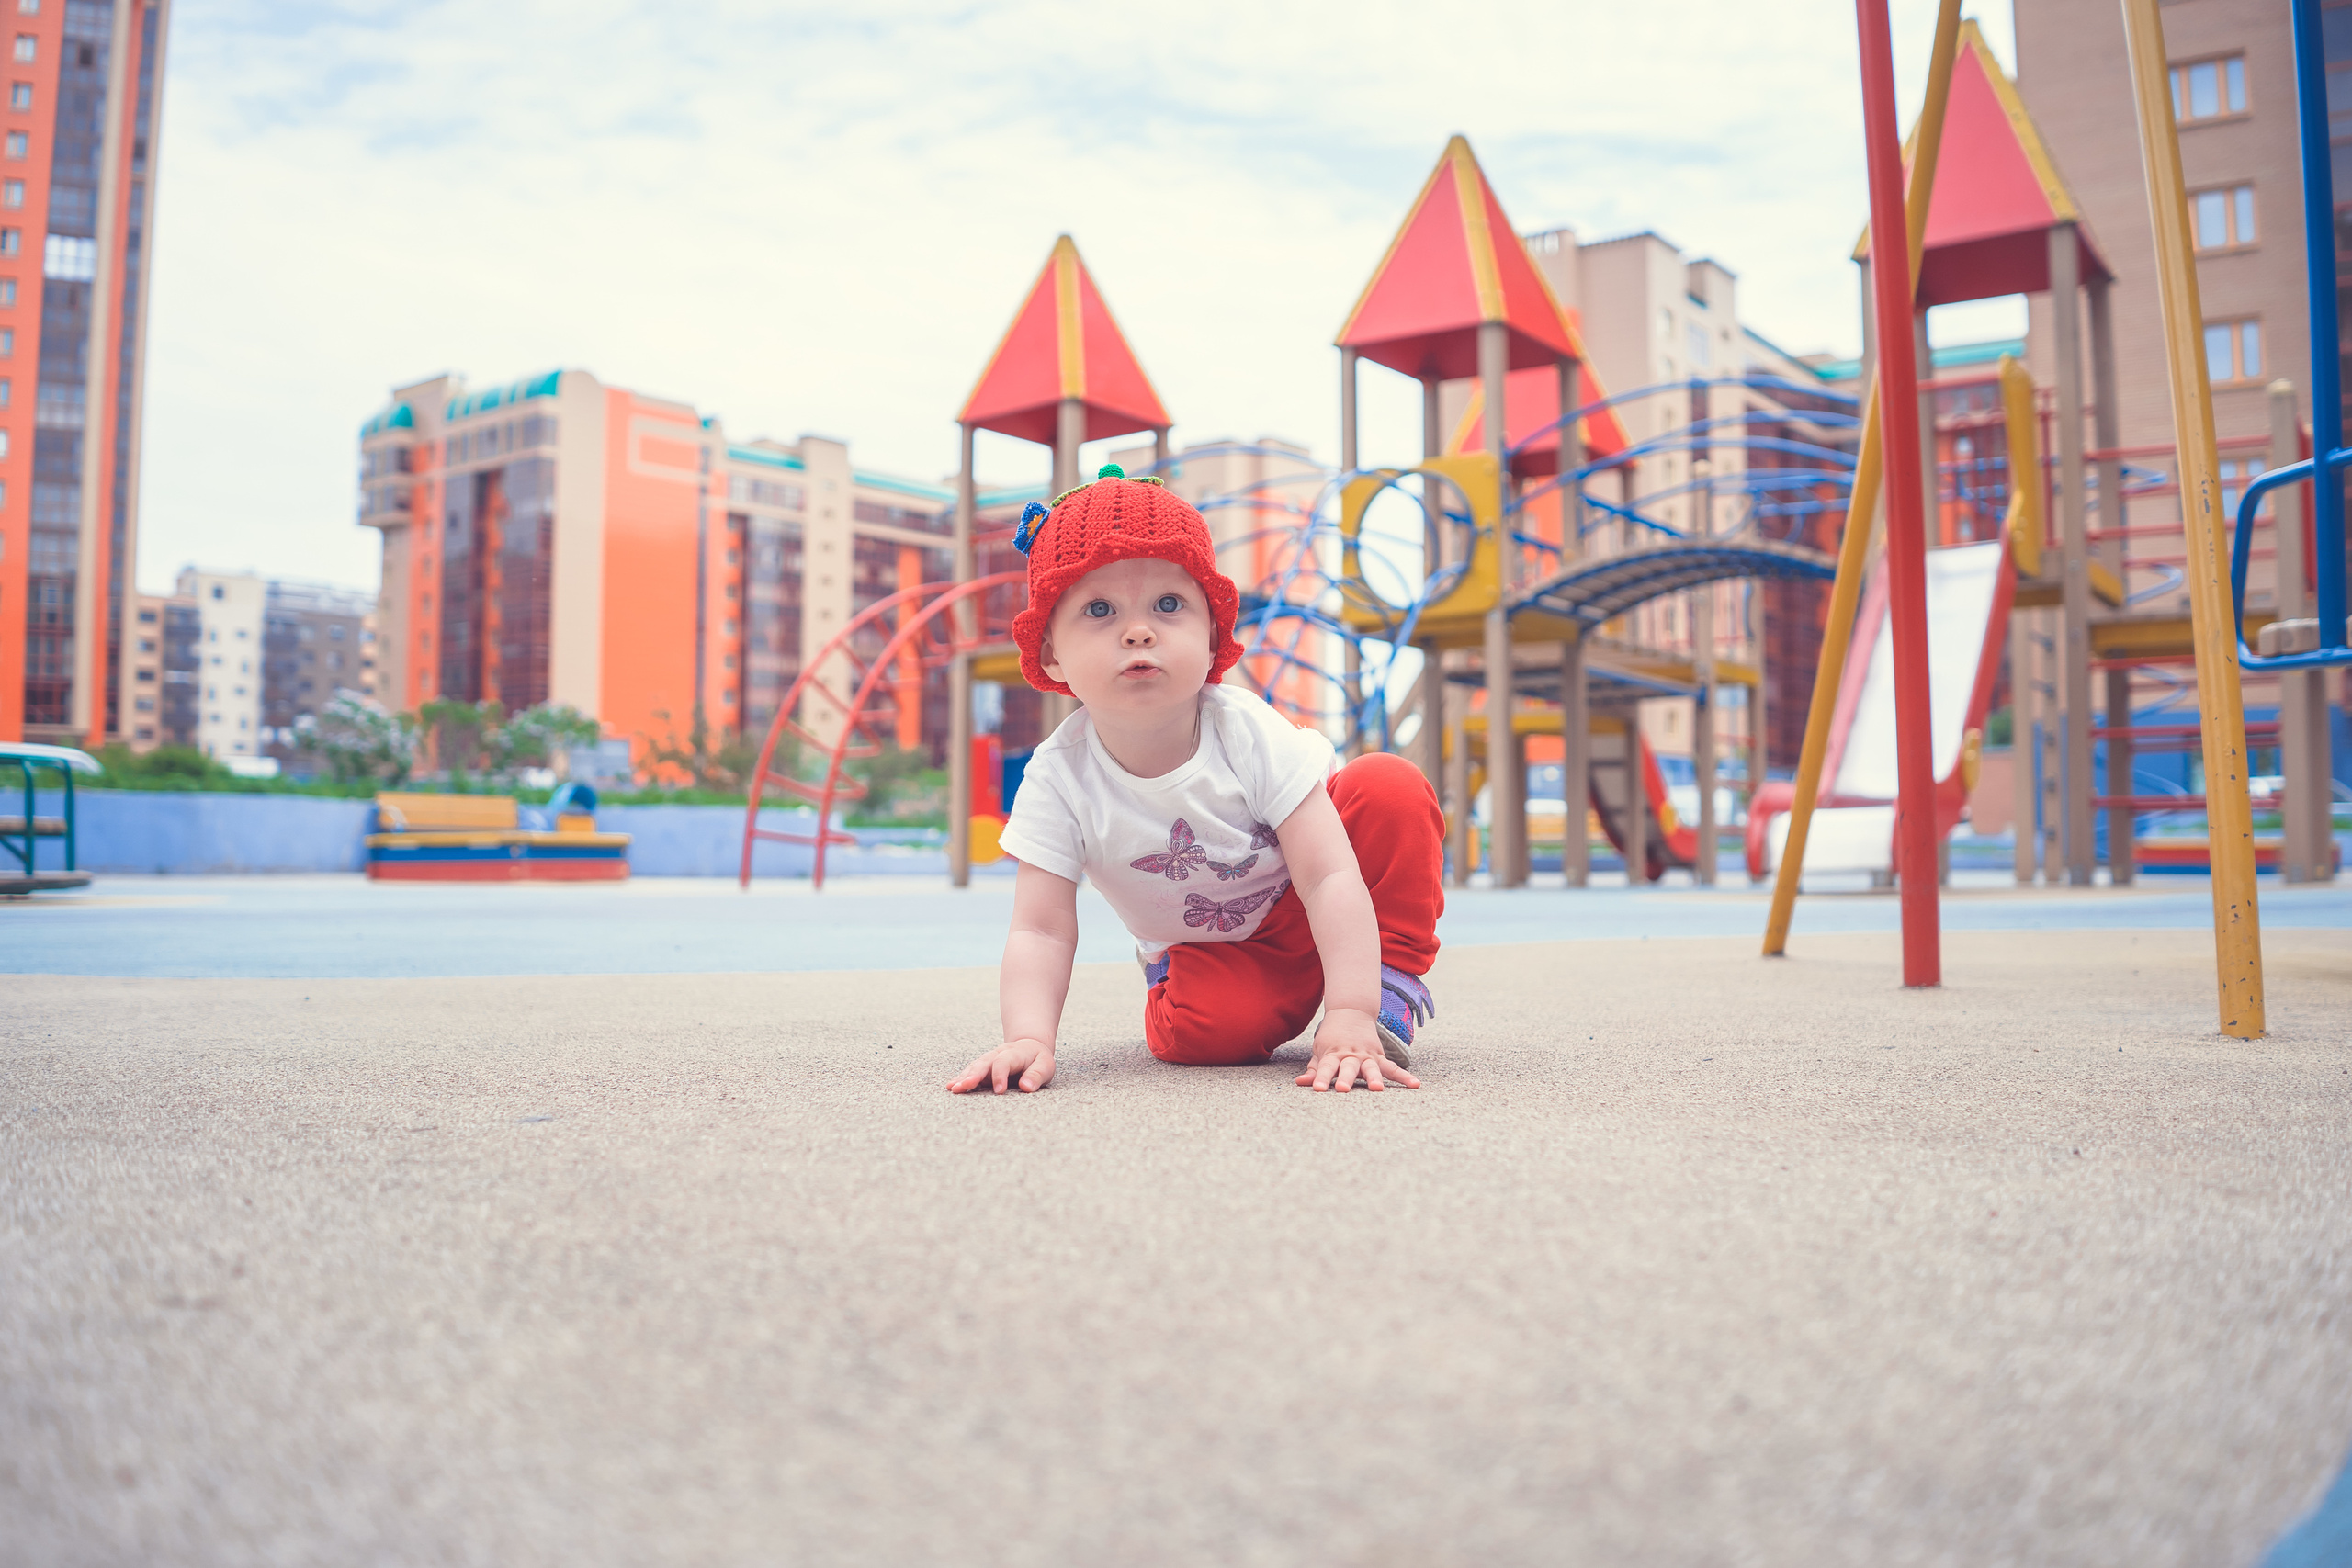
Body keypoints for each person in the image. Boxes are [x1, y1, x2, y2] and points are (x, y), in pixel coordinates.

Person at [947, 465, 1443, 1097]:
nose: (1139, 629)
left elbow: (1328, 875)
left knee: (1387, 786)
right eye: (1099, 608)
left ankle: (1386, 980)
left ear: (1212, 636)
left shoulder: (1243, 731)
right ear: (1050, 653)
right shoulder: (1059, 776)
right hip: (1227, 951)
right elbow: (1039, 927)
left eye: (1169, 604)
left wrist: (1349, 1012)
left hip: (1313, 893)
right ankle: (1216, 985)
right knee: (1204, 1036)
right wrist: (1028, 1036)